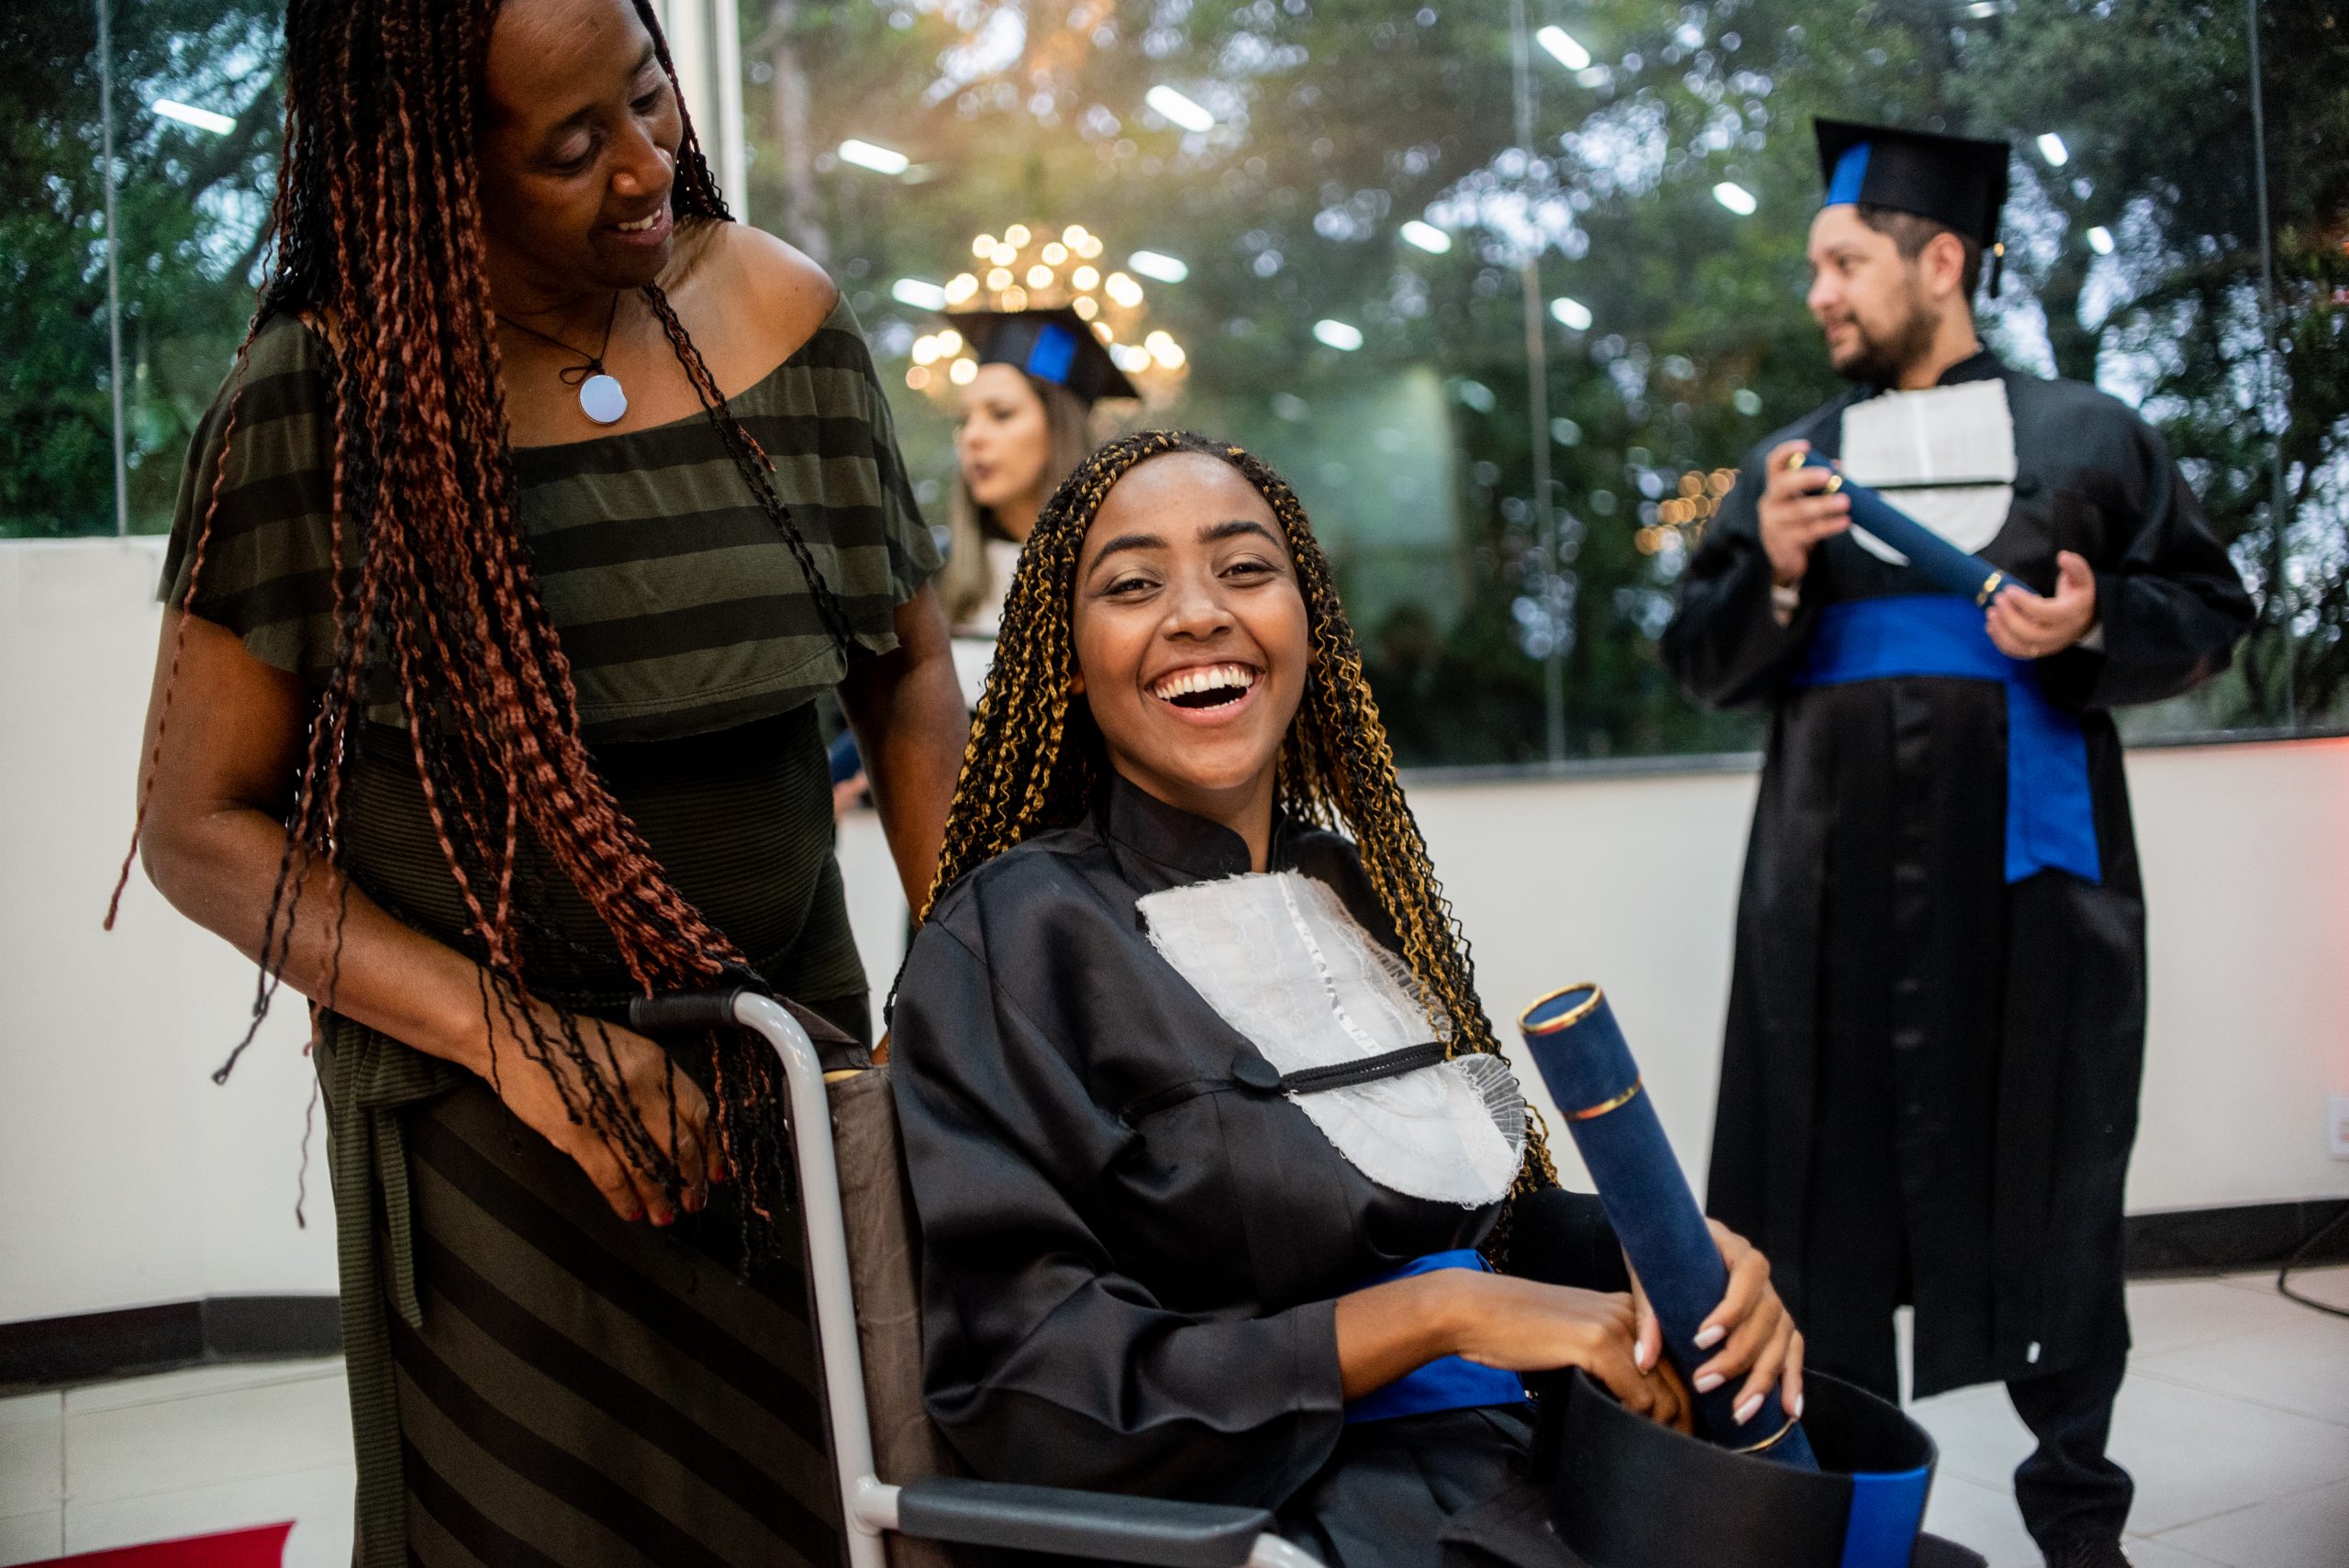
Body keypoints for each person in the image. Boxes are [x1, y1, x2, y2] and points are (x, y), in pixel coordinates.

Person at [115, 2, 965, 1564]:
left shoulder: (786, 316)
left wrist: (962, 961)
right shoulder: (320, 402)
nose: (647, 164)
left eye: (650, 100)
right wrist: (513, 1040)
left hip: (793, 1092)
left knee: (829, 1513)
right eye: (575, 148)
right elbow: (196, 827)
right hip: (495, 1156)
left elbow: (906, 668)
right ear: (434, 172)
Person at [888, 430, 1805, 1568]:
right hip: (1282, 1517)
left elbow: (1476, 1218)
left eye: (1244, 568)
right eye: (1133, 584)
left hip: (1518, 1451)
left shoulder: (1347, 887)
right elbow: (1031, 1384)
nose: (1197, 613)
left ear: (1306, 626)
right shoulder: (1009, 932)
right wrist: (1439, 1315)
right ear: (1066, 660)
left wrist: (1675, 1258)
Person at [1660, 119, 2254, 1568]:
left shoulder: (2088, 437)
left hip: (2031, 883)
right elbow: (1701, 659)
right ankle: (1836, 1513)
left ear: (1943, 261)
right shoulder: (1788, 464)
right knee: (1819, 1180)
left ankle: (2078, 1519)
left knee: (2051, 1160)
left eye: (1846, 264)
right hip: (1826, 892)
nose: (1819, 293)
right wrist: (1778, 570)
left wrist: (2093, 621)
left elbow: (2211, 610)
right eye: (1815, 266)